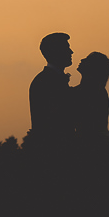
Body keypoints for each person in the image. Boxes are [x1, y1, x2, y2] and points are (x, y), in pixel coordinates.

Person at [26, 32, 75, 161]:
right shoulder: (46, 81)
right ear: (55, 52)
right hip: (52, 154)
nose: (71, 51)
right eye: (66, 48)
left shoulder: (48, 79)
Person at [72, 52, 109, 168]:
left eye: (87, 60)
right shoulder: (93, 90)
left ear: (94, 69)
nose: (82, 60)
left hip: (95, 149)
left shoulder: (91, 92)